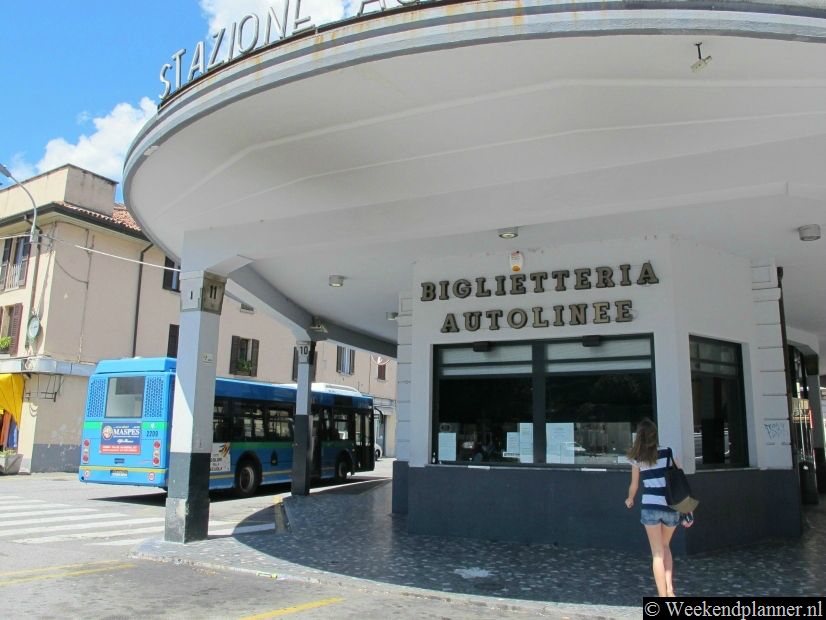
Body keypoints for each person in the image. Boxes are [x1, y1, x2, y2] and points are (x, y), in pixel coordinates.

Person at [624, 419, 693, 597]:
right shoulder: (668, 452)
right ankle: (670, 590)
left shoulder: (636, 458)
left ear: (639, 437)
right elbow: (680, 479)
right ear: (655, 435)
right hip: (671, 506)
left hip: (650, 506)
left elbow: (634, 485)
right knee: (666, 546)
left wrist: (630, 498)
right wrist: (687, 507)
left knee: (657, 554)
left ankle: (663, 597)